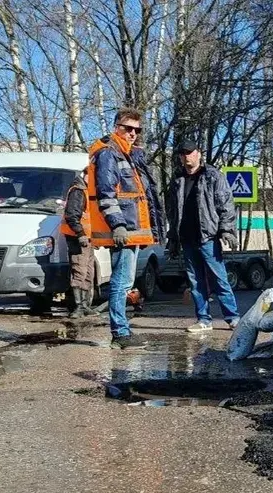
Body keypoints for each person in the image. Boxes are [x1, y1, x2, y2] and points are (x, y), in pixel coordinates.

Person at [88, 107, 160, 349]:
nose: (132, 133)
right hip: (123, 230)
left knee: (124, 281)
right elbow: (106, 194)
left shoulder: (128, 155)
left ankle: (121, 331)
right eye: (127, 128)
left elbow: (143, 196)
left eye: (136, 130)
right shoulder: (110, 155)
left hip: (131, 229)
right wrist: (118, 224)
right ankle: (120, 333)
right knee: (121, 282)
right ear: (116, 127)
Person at [165, 138, 241, 333]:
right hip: (187, 237)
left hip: (208, 236)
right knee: (195, 280)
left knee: (219, 278)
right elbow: (173, 211)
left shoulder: (212, 175)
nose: (187, 157)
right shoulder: (177, 179)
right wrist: (173, 238)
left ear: (198, 153)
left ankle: (232, 317)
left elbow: (225, 203)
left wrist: (226, 229)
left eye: (190, 152)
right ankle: (203, 319)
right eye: (183, 154)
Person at [62, 171, 96, 318]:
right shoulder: (78, 191)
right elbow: (72, 216)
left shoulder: (85, 190)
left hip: (87, 239)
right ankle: (78, 306)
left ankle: (85, 305)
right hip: (79, 239)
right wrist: (80, 234)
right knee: (80, 272)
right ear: (86, 175)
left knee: (88, 272)